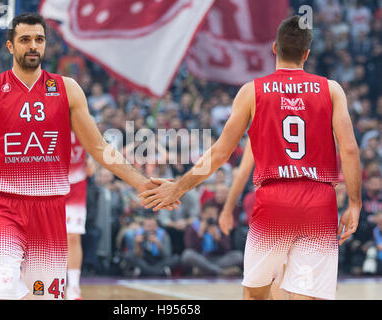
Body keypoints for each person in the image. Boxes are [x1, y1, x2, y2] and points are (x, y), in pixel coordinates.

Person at [0, 13, 176, 300]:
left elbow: (99, 148)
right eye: (25, 40)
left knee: (45, 297)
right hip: (3, 206)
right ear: (10, 47)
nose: (33, 46)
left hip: (49, 208)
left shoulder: (68, 89)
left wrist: (141, 183)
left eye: (39, 39)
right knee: (2, 292)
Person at [140, 15, 362, 300]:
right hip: (318, 201)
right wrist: (354, 204)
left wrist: (177, 187)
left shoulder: (251, 91)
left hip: (273, 201)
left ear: (274, 48)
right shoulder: (331, 90)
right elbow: (350, 150)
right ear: (307, 54)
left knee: (256, 295)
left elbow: (221, 152)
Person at [218, 138, 287, 299]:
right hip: (287, 212)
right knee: (275, 274)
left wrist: (227, 210)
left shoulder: (252, 193)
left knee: (269, 276)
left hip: (270, 220)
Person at [65, 131, 94, 300]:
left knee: (74, 236)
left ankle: (74, 287)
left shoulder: (82, 118)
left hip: (76, 185)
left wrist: (91, 161)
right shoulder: (47, 114)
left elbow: (94, 146)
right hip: (51, 181)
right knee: (46, 238)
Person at [181, 202, 243, 276]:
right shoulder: (193, 227)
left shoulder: (221, 227)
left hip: (217, 259)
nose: (212, 216)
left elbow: (227, 249)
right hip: (201, 258)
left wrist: (218, 239)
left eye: (214, 214)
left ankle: (204, 270)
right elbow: (190, 247)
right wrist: (200, 235)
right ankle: (220, 271)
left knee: (238, 255)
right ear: (202, 214)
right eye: (209, 214)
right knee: (187, 254)